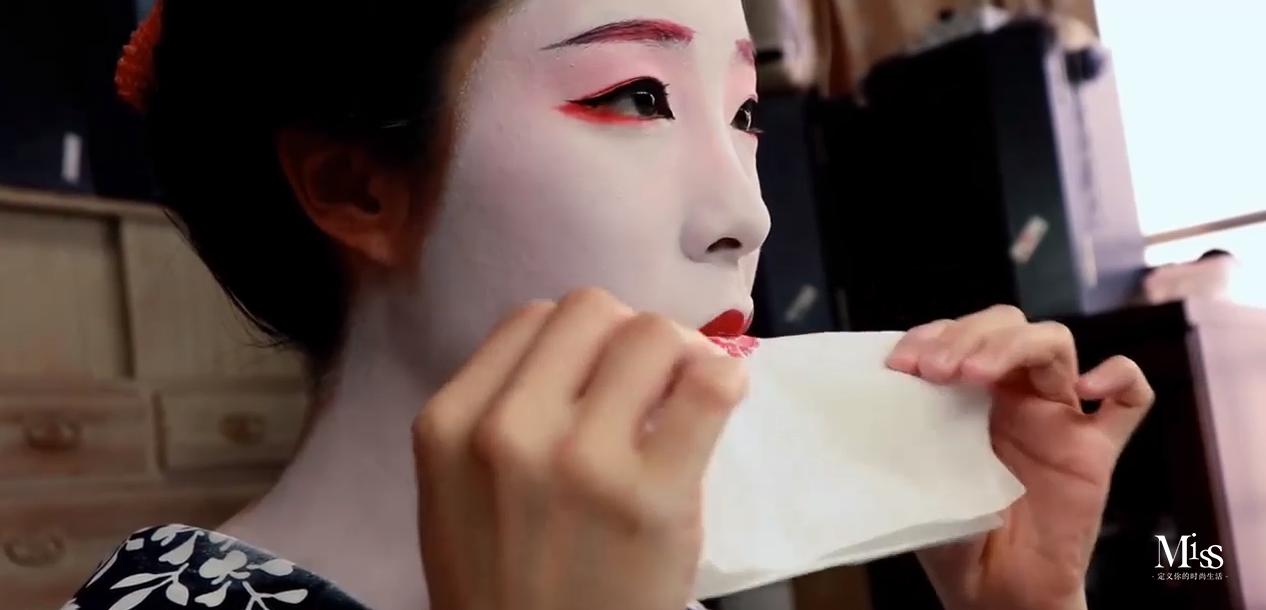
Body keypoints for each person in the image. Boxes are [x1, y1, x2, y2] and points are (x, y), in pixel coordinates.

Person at [70, 0, 1155, 609]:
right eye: (637, 97)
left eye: (743, 114)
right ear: (356, 187)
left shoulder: (642, 577)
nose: (748, 218)